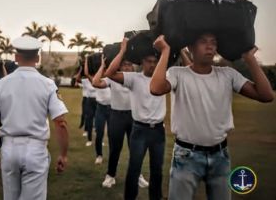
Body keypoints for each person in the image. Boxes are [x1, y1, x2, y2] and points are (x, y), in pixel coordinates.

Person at [150, 33, 274, 200]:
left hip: (220, 156)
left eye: (213, 42)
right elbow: (156, 88)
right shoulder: (178, 74)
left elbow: (266, 95)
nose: (209, 46)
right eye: (203, 42)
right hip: (186, 156)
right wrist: (165, 51)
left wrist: (249, 58)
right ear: (190, 48)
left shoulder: (228, 74)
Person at [0, 36, 69, 200]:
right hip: (36, 149)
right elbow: (61, 123)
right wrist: (63, 154)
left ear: (16, 57)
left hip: (9, 149)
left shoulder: (0, 85)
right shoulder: (48, 84)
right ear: (37, 58)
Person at [106, 38, 164, 200]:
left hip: (159, 131)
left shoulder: (163, 78)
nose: (152, 64)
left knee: (157, 170)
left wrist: (179, 49)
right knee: (134, 168)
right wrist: (122, 51)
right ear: (141, 62)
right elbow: (109, 74)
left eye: (155, 61)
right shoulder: (134, 78)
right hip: (139, 130)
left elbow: (188, 68)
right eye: (148, 61)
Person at [93, 56, 149, 188]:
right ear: (119, 66)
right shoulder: (113, 77)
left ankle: (137, 176)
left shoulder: (137, 77)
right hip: (116, 116)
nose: (126, 67)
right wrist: (102, 66)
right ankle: (110, 176)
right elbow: (95, 83)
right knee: (115, 148)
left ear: (133, 66)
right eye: (124, 65)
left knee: (136, 149)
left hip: (134, 116)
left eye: (129, 65)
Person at [85, 54, 111, 165]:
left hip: (112, 109)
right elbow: (86, 73)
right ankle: (99, 155)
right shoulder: (97, 79)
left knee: (112, 135)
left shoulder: (112, 78)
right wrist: (86, 59)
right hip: (100, 108)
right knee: (99, 133)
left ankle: (113, 157)